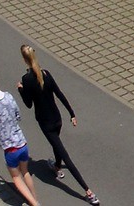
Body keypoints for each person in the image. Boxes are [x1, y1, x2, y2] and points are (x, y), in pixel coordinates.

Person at [18, 45, 98, 203]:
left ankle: (89, 192)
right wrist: (71, 113)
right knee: (56, 144)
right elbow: (59, 94)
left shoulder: (26, 80)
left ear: (24, 60)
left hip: (45, 123)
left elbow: (28, 104)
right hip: (57, 119)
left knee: (64, 154)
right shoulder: (46, 74)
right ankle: (57, 167)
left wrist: (21, 90)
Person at [0, 65, 40, 205]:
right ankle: (35, 199)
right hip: (22, 143)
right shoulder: (8, 96)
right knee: (25, 172)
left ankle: (34, 204)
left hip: (10, 148)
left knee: (16, 178)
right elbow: (18, 116)